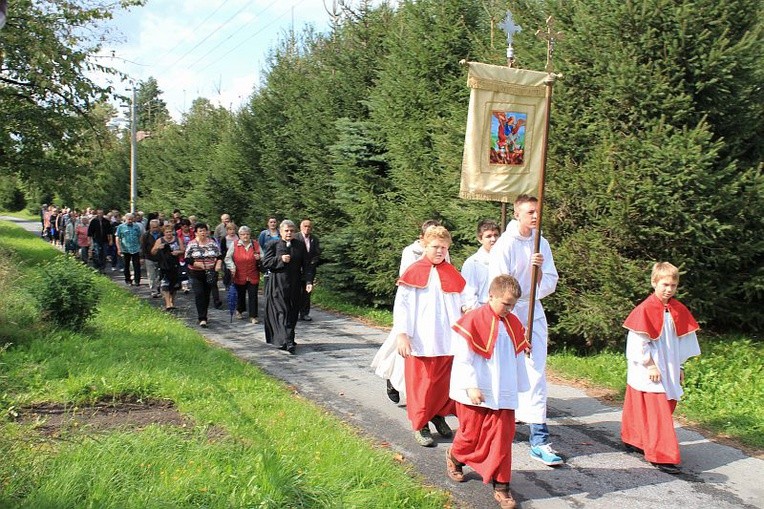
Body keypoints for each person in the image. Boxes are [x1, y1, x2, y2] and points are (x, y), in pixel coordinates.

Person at [488, 194, 562, 466]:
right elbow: (500, 285)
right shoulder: (504, 245)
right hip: (509, 314)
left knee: (535, 372)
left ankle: (539, 440)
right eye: (530, 211)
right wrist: (518, 314)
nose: (535, 216)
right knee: (504, 371)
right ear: (517, 214)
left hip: (534, 311)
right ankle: (495, 430)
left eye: (538, 211)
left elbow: (551, 282)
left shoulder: (541, 242)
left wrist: (539, 274)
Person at [448, 275, 530, 509]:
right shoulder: (472, 320)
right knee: (471, 435)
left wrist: (518, 385)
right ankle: (455, 456)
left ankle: (502, 486)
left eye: (513, 304)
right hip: (475, 390)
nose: (509, 309)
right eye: (505, 303)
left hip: (503, 391)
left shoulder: (513, 323)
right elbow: (464, 358)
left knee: (503, 437)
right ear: (490, 296)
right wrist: (471, 385)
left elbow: (516, 358)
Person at [621, 262, 701, 475]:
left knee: (666, 404)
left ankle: (637, 440)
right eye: (665, 284)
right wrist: (650, 364)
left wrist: (681, 366)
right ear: (654, 282)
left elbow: (683, 340)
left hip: (670, 366)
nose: (669, 289)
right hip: (650, 369)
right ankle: (662, 454)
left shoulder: (678, 309)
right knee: (657, 411)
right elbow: (637, 343)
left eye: (673, 285)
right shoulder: (644, 310)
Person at [394, 225, 464, 447]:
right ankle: (420, 423)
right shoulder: (414, 271)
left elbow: (464, 301)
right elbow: (402, 306)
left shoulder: (452, 272)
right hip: (421, 340)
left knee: (443, 385)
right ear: (425, 245)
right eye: (435, 246)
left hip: (447, 340)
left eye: (444, 247)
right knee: (422, 384)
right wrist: (402, 334)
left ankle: (437, 415)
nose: (440, 251)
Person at [371, 219, 442, 405]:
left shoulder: (442, 251)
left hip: (432, 309)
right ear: (423, 238)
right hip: (414, 307)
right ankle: (393, 381)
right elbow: (408, 277)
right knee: (400, 350)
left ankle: (427, 400)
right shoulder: (411, 252)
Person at [261, 220, 314, 354]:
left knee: (292, 311)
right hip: (277, 283)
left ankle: (287, 338)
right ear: (281, 231)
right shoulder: (272, 244)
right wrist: (280, 260)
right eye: (286, 231)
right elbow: (265, 263)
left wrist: (308, 281)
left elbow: (307, 265)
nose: (289, 233)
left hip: (295, 284)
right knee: (281, 312)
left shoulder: (300, 245)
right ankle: (288, 341)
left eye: (291, 231)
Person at [184, 223, 223, 328]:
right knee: (199, 294)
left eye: (204, 230)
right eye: (200, 231)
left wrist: (218, 264)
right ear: (196, 233)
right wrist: (196, 263)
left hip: (210, 271)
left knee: (206, 295)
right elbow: (187, 258)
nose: (203, 233)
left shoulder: (212, 243)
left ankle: (204, 314)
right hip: (195, 273)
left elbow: (219, 255)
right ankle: (202, 318)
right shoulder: (191, 244)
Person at [461, 219, 500, 312]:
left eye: (496, 235)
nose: (493, 239)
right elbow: (468, 294)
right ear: (480, 239)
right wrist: (481, 313)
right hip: (481, 310)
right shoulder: (472, 263)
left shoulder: (504, 259)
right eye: (488, 236)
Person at [225, 226, 262, 324]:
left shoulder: (255, 244)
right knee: (240, 294)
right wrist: (232, 266)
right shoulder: (235, 244)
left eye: (247, 234)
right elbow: (228, 258)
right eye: (242, 234)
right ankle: (240, 310)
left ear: (250, 235)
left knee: (253, 295)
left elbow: (263, 256)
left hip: (253, 274)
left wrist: (259, 258)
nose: (245, 236)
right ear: (239, 235)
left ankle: (253, 316)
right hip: (239, 274)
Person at [152, 224, 185, 311]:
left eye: (170, 232)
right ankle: (168, 303)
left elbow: (183, 250)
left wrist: (178, 252)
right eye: (167, 232)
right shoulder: (160, 240)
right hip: (164, 265)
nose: (169, 233)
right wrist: (158, 248)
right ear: (164, 233)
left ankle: (172, 301)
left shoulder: (178, 240)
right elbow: (153, 252)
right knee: (165, 284)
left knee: (174, 284)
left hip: (175, 264)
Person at [295, 218, 321, 321]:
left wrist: (313, 262)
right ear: (301, 227)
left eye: (309, 226)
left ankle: (304, 313)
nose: (307, 228)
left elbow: (317, 253)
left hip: (309, 270)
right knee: (295, 292)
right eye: (305, 226)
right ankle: (294, 312)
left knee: (307, 292)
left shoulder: (314, 239)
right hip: (297, 269)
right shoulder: (296, 237)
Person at [115, 213, 143, 286]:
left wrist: (141, 247)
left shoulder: (136, 226)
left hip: (135, 248)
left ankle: (137, 280)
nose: (130, 221)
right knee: (126, 265)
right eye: (129, 219)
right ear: (125, 219)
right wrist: (119, 248)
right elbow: (117, 237)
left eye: (131, 219)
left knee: (136, 265)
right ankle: (128, 280)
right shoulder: (121, 227)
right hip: (125, 249)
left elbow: (139, 236)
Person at [141, 219, 163, 298]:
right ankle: (153, 290)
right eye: (153, 227)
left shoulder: (162, 234)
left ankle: (159, 288)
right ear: (150, 227)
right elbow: (143, 247)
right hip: (149, 257)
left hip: (160, 258)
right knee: (151, 275)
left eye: (156, 227)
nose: (155, 229)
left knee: (159, 275)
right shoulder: (146, 235)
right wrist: (142, 257)